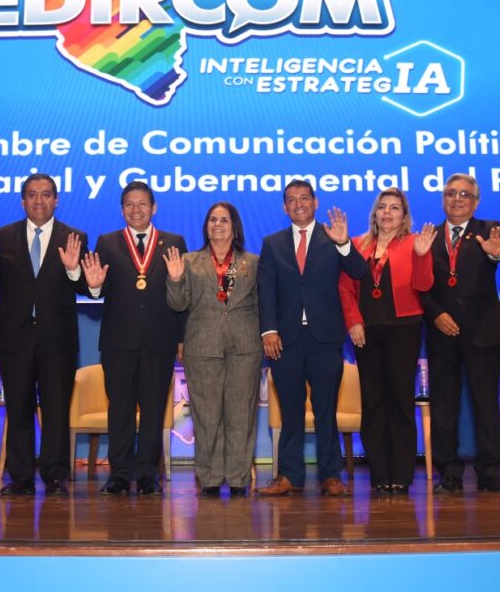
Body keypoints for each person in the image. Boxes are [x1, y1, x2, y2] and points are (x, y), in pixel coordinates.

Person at [256, 180, 368, 497]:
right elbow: (266, 290)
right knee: (290, 411)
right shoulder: (272, 243)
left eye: (304, 198)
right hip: (285, 340)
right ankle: (289, 475)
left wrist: (344, 244)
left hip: (325, 338)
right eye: (291, 200)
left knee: (325, 409)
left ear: (315, 202)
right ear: (284, 207)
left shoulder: (333, 236)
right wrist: (268, 330)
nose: (299, 204)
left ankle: (330, 475)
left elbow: (359, 272)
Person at [80, 182, 186, 496]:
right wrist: (94, 287)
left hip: (160, 339)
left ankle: (148, 474)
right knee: (120, 408)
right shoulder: (107, 242)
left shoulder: (173, 242)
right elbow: (97, 288)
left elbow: (183, 294)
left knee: (154, 409)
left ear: (154, 208)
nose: (135, 210)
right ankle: (120, 474)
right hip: (119, 340)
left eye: (142, 204)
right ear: (122, 209)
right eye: (129, 204)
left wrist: (182, 338)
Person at [0, 174, 89, 497]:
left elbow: (86, 287)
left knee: (56, 409)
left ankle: (55, 476)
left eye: (46, 194)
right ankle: (20, 477)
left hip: (57, 339)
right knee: (18, 408)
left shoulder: (74, 237)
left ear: (56, 200)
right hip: (14, 339)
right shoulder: (3, 236)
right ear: (23, 201)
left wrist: (74, 269)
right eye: (32, 195)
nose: (39, 201)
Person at [338, 188, 436, 494]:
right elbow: (345, 288)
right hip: (366, 331)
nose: (387, 212)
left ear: (404, 215)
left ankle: (401, 475)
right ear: (374, 213)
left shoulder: (415, 243)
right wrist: (353, 321)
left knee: (400, 401)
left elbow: (424, 285)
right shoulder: (357, 245)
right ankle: (379, 474)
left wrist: (422, 256)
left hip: (404, 328)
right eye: (382, 207)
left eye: (395, 208)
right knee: (373, 402)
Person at [423, 174, 500, 494]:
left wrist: (495, 254)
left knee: (485, 404)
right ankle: (449, 474)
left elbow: (499, 255)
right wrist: (436, 314)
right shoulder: (429, 236)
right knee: (443, 406)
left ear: (476, 202)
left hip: (482, 331)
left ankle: (489, 473)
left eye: (465, 194)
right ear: (442, 200)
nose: (457, 199)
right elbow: (419, 284)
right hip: (442, 331)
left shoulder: (489, 229)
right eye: (451, 193)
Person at [165, 202, 262, 497]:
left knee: (241, 415)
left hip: (244, 346)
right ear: (206, 226)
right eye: (212, 220)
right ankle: (209, 478)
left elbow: (262, 305)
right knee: (206, 416)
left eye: (224, 220)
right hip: (202, 346)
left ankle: (238, 479)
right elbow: (178, 305)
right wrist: (175, 279)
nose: (217, 225)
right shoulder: (189, 261)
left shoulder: (252, 262)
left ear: (235, 227)